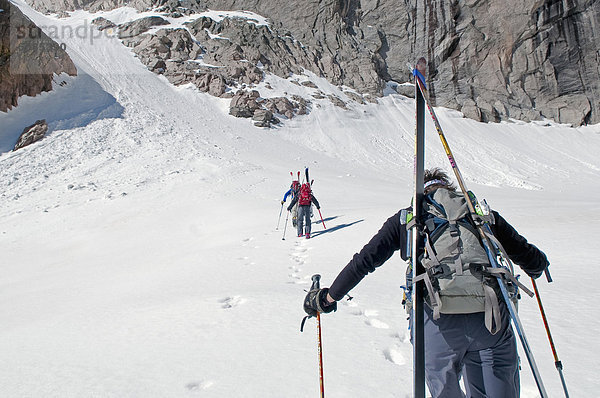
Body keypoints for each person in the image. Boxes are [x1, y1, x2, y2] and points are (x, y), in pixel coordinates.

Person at [303, 168, 549, 397]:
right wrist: (538, 265)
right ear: (449, 188)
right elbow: (531, 258)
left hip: (437, 321)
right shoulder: (478, 213)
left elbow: (365, 261)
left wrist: (327, 298)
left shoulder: (408, 220)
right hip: (490, 319)